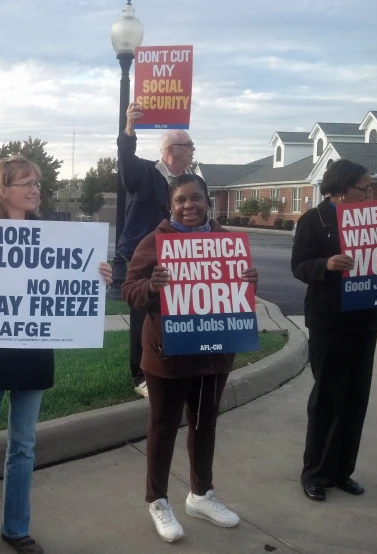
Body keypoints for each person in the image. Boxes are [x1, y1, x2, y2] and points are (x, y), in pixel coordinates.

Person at [0, 156, 113, 554]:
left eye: (37, 183)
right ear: (3, 189)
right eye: (26, 183)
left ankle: (16, 528)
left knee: (24, 446)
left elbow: (74, 282)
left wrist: (98, 279)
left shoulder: (55, 237)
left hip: (33, 352)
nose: (35, 190)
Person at [122, 174, 258, 543]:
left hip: (214, 353)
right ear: (171, 205)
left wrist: (249, 280)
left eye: (195, 198)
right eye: (181, 199)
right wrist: (152, 286)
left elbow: (238, 294)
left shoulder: (227, 242)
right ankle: (158, 500)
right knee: (163, 427)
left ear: (207, 201)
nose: (189, 205)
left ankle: (201, 494)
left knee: (204, 424)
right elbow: (129, 291)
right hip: (169, 354)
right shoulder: (155, 242)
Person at [292, 159, 376, 502]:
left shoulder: (373, 221)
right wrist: (325, 265)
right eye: (364, 188)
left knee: (356, 398)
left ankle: (343, 471)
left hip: (365, 319)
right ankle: (315, 472)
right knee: (328, 397)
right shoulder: (315, 220)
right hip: (330, 321)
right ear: (342, 190)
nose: (369, 193)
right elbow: (299, 266)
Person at [117, 102, 196, 398]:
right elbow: (126, 162)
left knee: (172, 310)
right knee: (142, 313)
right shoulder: (145, 174)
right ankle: (141, 374)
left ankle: (171, 359)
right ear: (171, 150)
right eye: (189, 147)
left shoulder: (187, 183)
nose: (192, 152)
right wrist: (130, 126)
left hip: (178, 257)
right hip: (143, 253)